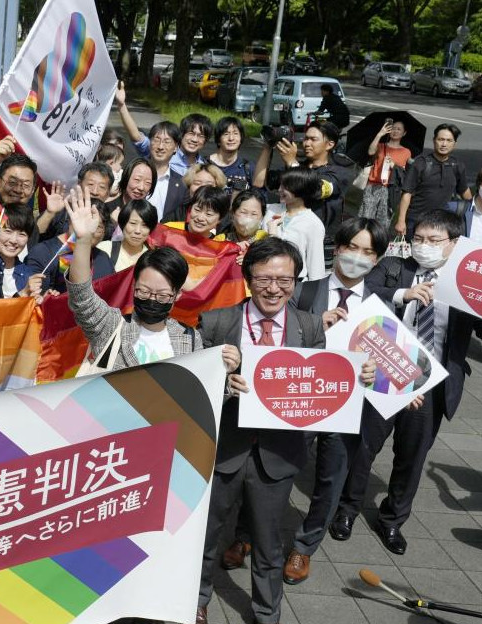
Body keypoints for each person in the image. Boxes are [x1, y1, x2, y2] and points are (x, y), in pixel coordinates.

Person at [196, 237, 373, 624]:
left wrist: (358, 379)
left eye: (285, 279)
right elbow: (194, 393)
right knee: (207, 538)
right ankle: (197, 601)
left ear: (296, 281)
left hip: (277, 457)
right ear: (247, 278)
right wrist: (221, 381)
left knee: (268, 545)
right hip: (223, 451)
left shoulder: (309, 326)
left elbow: (318, 387)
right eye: (264, 278)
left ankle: (266, 612)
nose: (274, 288)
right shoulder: (217, 322)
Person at [333, 210, 476, 555]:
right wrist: (403, 295)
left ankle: (393, 519)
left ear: (455, 244)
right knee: (364, 446)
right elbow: (365, 288)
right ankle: (347, 510)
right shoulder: (397, 268)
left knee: (412, 456)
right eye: (418, 239)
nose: (423, 246)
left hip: (433, 382)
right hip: (387, 370)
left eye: (433, 240)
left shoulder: (464, 282)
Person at [278, 218, 389, 584]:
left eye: (368, 252)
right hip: (303, 398)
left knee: (331, 480)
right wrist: (311, 327)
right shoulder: (304, 292)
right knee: (277, 471)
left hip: (349, 407)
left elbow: (391, 362)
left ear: (378, 259)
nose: (357, 257)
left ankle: (304, 548)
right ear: (337, 248)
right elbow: (276, 342)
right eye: (352, 248)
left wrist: (388, 382)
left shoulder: (381, 304)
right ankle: (249, 535)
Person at [64, 186, 241, 371]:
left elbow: (197, 386)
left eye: (162, 295)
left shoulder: (189, 338)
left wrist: (224, 370)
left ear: (177, 295)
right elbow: (82, 297)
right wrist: (83, 240)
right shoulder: (111, 325)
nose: (152, 299)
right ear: (134, 287)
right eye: (145, 291)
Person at [255, 120, 347, 228]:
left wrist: (292, 162)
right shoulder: (296, 166)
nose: (307, 144)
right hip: (288, 233)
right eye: (306, 138)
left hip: (320, 239)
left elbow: (316, 189)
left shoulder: (339, 173)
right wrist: (268, 146)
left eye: (313, 139)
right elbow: (259, 181)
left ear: (329, 144)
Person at [115, 81, 209, 177]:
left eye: (200, 136)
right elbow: (137, 137)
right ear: (182, 135)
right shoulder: (165, 151)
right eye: (191, 133)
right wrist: (121, 106)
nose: (194, 139)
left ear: (206, 141)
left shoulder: (204, 166)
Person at [394, 123, 472, 239]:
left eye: (449, 140)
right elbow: (407, 193)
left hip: (442, 224)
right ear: (434, 140)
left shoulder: (457, 165)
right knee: (411, 255)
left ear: (454, 144)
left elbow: (464, 191)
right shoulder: (420, 163)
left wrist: (475, 208)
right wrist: (401, 221)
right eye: (441, 139)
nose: (444, 144)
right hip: (416, 221)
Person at [26, 201, 115, 293]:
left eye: (97, 226)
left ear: (104, 231)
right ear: (70, 220)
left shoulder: (104, 259)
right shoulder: (43, 253)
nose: (89, 231)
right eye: (84, 223)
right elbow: (34, 299)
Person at [269, 168, 327, 281]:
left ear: (301, 189)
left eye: (285, 187)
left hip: (294, 283)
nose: (280, 189)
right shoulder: (270, 210)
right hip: (263, 276)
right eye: (280, 185)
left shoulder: (313, 223)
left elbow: (316, 266)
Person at [358, 119, 411, 226]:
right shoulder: (381, 146)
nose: (395, 131)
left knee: (383, 223)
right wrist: (379, 134)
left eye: (399, 129)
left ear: (404, 133)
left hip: (391, 189)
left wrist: (394, 165)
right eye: (393, 128)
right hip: (373, 186)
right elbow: (370, 151)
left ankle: (379, 242)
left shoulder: (406, 152)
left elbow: (405, 174)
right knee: (365, 219)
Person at [0, 207, 43, 298]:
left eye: (22, 234)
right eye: (8, 231)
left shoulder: (28, 274)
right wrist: (22, 294)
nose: (13, 240)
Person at [98, 199, 156, 271]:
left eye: (145, 225)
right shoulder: (104, 249)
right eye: (133, 223)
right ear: (123, 224)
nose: (138, 231)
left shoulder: (154, 260)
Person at [164, 186, 231, 239]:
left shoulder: (219, 247)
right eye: (197, 210)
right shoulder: (168, 229)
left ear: (220, 219)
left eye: (208, 214)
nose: (200, 218)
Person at [209, 116, 254, 191]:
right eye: (226, 134)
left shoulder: (248, 168)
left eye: (235, 133)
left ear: (241, 139)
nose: (231, 138)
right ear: (218, 139)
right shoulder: (205, 164)